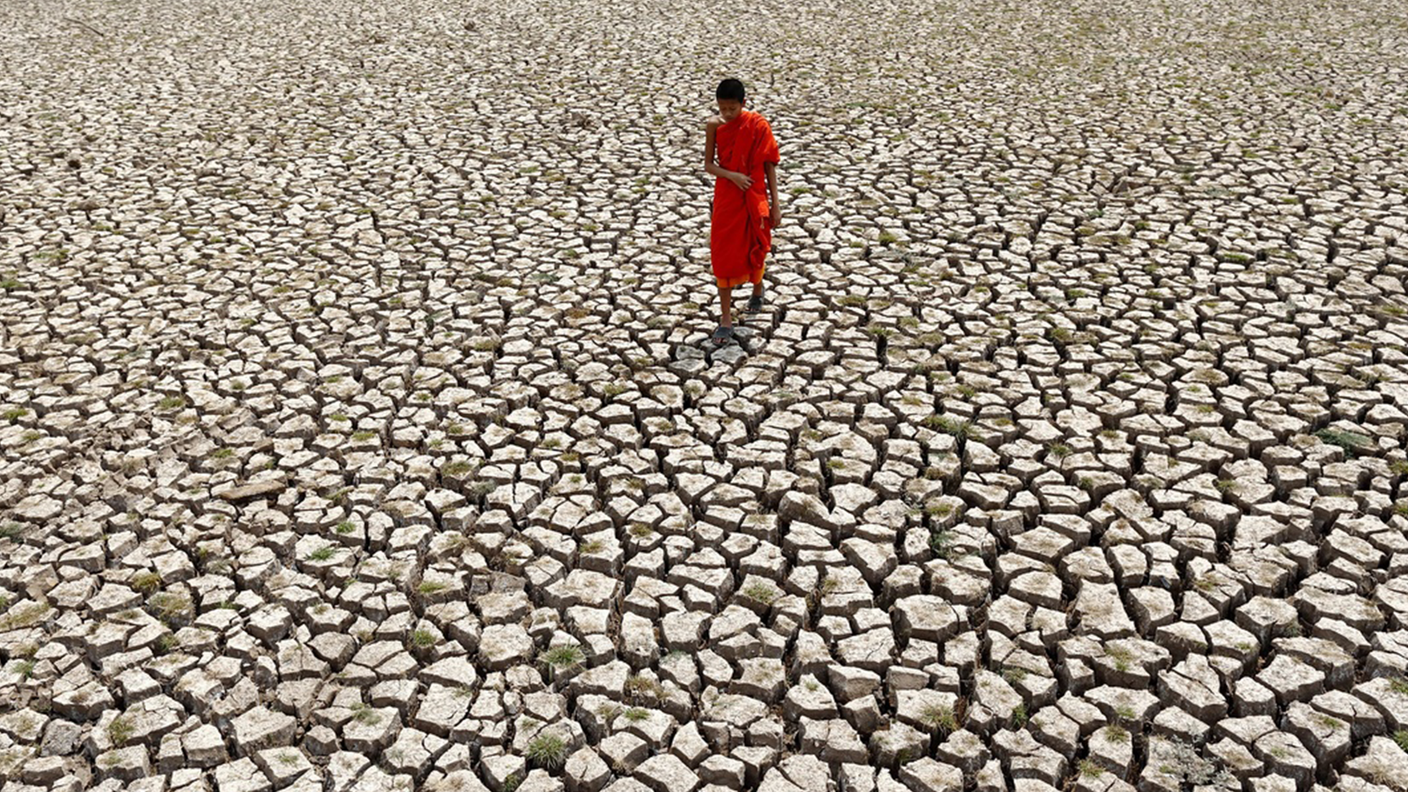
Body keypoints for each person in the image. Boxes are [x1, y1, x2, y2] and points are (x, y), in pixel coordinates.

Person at [703, 78, 780, 345]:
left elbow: (769, 165)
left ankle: (757, 289)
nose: (727, 114)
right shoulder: (714, 125)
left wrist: (775, 205)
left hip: (754, 194)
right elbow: (709, 166)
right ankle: (725, 318)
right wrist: (733, 176)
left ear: (743, 104)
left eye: (732, 109)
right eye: (722, 108)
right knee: (722, 252)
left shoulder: (757, 125)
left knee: (755, 243)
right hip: (727, 194)